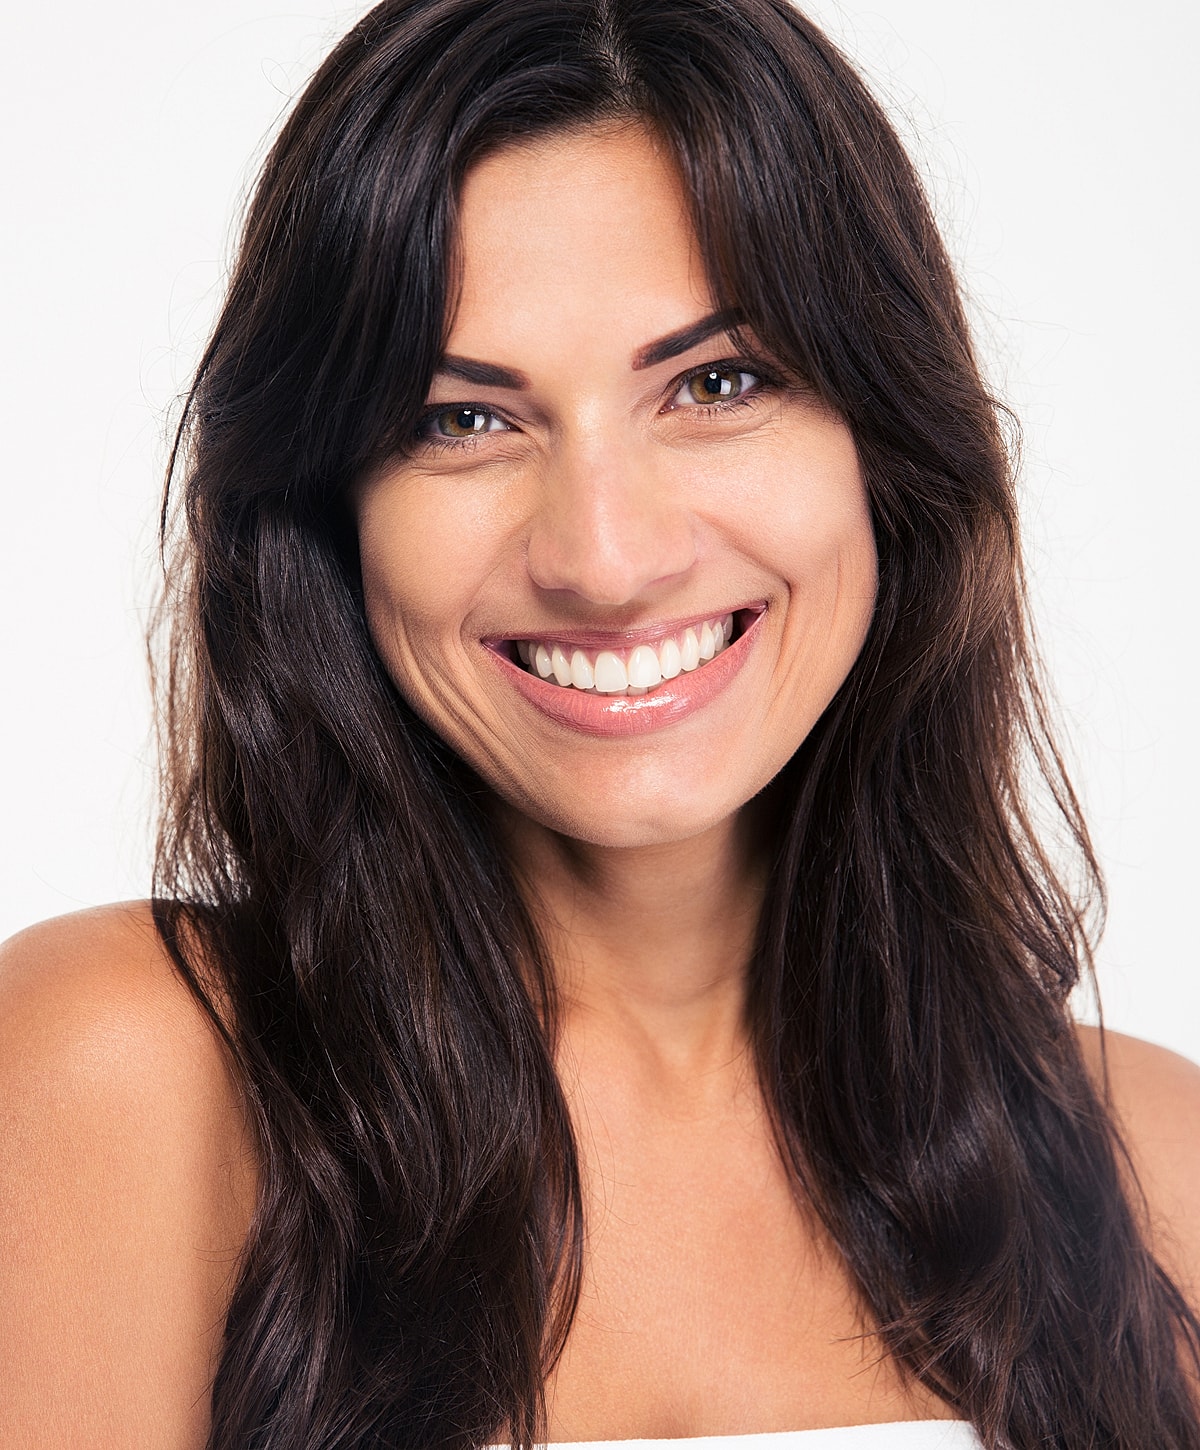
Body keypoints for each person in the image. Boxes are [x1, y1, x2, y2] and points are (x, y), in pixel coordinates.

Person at [1, 0, 1198, 1446]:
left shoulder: (1159, 1168)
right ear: (332, 514)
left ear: (887, 449)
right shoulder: (125, 1075)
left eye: (716, 382)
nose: (606, 556)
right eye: (463, 418)